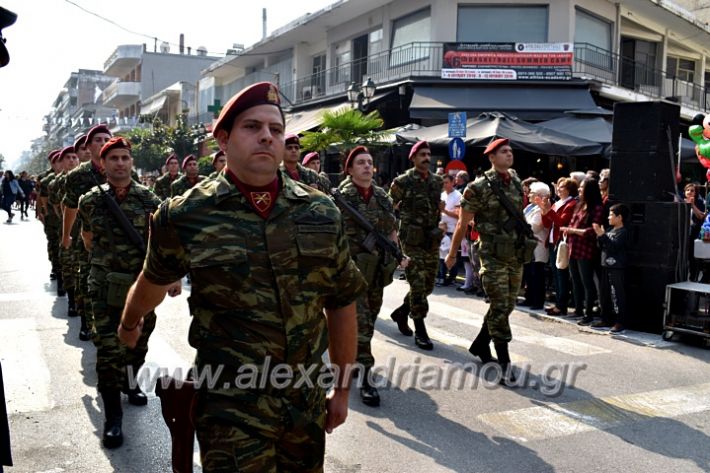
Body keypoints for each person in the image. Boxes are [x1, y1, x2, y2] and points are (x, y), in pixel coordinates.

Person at [118, 82, 366, 472]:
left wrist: (342, 389)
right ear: (223, 139)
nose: (267, 135)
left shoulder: (321, 213)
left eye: (276, 129)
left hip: (303, 403)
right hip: (230, 405)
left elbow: (341, 302)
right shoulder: (186, 215)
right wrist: (130, 322)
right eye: (252, 126)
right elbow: (152, 279)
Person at [78, 137, 165, 449]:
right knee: (108, 350)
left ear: (131, 162)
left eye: (125, 157)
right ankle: (113, 418)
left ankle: (131, 384)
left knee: (138, 343)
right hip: (102, 286)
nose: (119, 163)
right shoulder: (90, 201)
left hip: (141, 286)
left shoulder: (148, 200)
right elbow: (88, 239)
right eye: (113, 158)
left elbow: (160, 243)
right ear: (103, 164)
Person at [446, 138, 526, 383]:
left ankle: (481, 343)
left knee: (508, 304)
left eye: (511, 151)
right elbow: (462, 222)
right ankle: (504, 362)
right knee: (501, 305)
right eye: (503, 151)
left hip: (514, 252)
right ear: (491, 157)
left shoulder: (515, 181)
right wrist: (451, 253)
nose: (509, 154)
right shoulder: (477, 187)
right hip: (491, 254)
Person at [335, 145, 401, 407]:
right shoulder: (341, 198)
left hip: (376, 271)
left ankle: (351, 360)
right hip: (351, 272)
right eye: (360, 162)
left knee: (369, 322)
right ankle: (365, 377)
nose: (366, 166)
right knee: (360, 325)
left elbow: (392, 231)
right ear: (350, 169)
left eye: (369, 162)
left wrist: (398, 254)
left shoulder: (383, 196)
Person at [388, 140, 442, 350]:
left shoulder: (437, 181)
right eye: (422, 154)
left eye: (428, 154)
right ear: (413, 158)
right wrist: (392, 235)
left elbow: (436, 208)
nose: (427, 158)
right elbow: (388, 206)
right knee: (418, 285)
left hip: (431, 240)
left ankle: (401, 312)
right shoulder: (402, 181)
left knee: (428, 285)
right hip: (410, 242)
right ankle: (420, 329)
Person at [63, 124, 113, 342]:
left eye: (106, 139)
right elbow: (70, 206)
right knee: (87, 280)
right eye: (98, 140)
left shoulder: (120, 168)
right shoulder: (77, 176)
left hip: (116, 239)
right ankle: (86, 323)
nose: (102, 143)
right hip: (87, 238)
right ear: (89, 146)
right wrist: (66, 235)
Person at [561, 177, 604, 326]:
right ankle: (578, 309)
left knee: (587, 282)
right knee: (575, 280)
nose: (579, 189)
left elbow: (593, 230)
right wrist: (569, 231)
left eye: (582, 187)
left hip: (586, 249)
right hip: (574, 246)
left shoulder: (597, 207)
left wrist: (573, 230)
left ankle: (588, 313)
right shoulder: (579, 205)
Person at [540, 177, 578, 316]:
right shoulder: (557, 203)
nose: (558, 188)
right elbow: (546, 223)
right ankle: (558, 303)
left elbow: (562, 222)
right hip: (551, 241)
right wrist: (544, 210)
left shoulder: (571, 203)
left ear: (569, 190)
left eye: (561, 187)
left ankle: (561, 305)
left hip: (561, 242)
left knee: (561, 274)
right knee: (555, 275)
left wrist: (549, 210)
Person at [592, 203, 630, 333]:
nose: (608, 217)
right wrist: (600, 236)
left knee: (617, 294)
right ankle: (605, 318)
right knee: (604, 293)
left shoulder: (623, 232)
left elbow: (614, 247)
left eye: (611, 215)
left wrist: (602, 236)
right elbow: (601, 245)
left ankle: (620, 321)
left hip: (617, 266)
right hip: (605, 265)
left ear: (619, 217)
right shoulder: (609, 229)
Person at [522, 182, 551, 310]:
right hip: (527, 244)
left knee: (537, 274)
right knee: (528, 273)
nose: (529, 195)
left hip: (537, 244)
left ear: (539, 195)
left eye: (532, 193)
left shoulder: (541, 209)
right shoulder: (529, 207)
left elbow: (535, 227)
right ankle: (529, 298)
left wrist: (522, 226)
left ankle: (538, 301)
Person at [437, 174, 462, 286]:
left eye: (447, 182)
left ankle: (452, 277)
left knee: (451, 254)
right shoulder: (442, 195)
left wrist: (444, 211)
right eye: (443, 183)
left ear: (453, 182)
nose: (445, 185)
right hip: (441, 229)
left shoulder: (457, 196)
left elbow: (458, 215)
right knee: (441, 254)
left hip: (452, 229)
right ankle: (441, 276)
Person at [684, 183, 706, 281]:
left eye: (692, 190)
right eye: (688, 190)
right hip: (683, 234)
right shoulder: (681, 201)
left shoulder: (699, 202)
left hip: (694, 234)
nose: (690, 192)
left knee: (693, 259)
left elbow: (701, 216)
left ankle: (692, 280)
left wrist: (692, 205)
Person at [436, 221, 452, 286]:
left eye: (442, 229)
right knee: (437, 269)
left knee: (442, 270)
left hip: (443, 257)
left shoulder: (447, 238)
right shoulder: (437, 237)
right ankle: (437, 280)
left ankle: (442, 280)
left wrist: (438, 247)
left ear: (446, 230)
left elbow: (446, 248)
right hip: (438, 256)